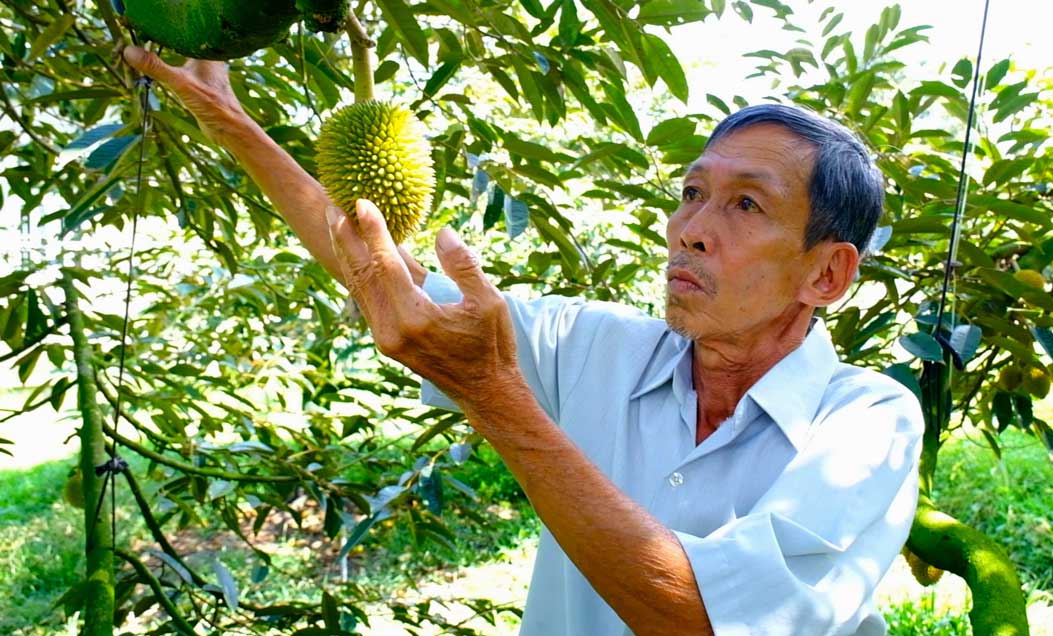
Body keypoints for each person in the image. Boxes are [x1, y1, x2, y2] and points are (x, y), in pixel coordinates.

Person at [123, 45, 923, 636]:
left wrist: (491, 392)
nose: (689, 232)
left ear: (826, 275)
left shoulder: (867, 424)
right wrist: (225, 117)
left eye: (745, 206)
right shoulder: (596, 344)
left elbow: (696, 618)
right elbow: (382, 273)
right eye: (690, 194)